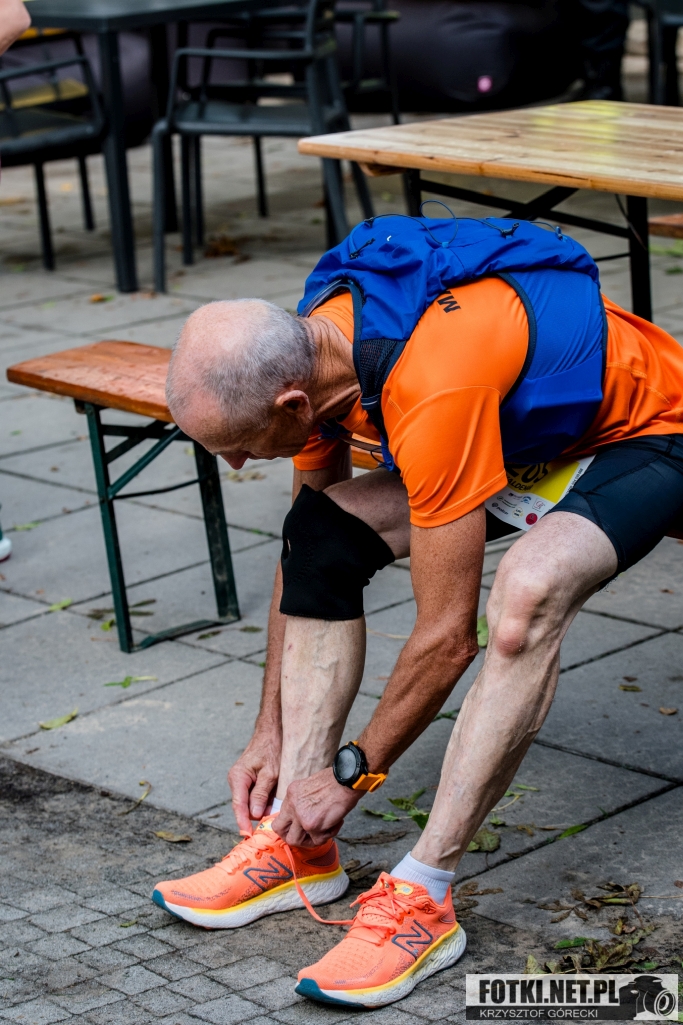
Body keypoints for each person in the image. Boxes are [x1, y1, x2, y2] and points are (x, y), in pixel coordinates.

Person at [152, 214, 683, 1009]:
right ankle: (300, 843)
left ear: (291, 403)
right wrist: (269, 731)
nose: (232, 463)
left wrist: (355, 770)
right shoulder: (317, 344)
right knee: (321, 536)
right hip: (526, 437)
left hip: (645, 431)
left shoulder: (430, 381)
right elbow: (302, 545)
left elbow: (445, 638)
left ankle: (423, 893)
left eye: (237, 444)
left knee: (524, 597)